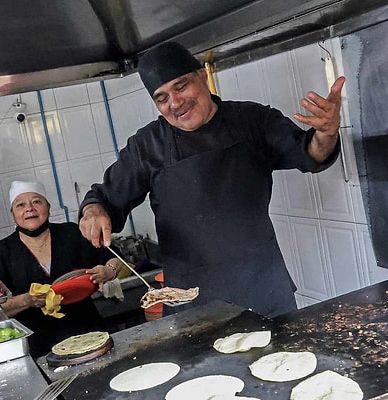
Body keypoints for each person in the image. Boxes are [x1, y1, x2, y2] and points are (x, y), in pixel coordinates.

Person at [79, 41, 345, 318]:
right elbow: (104, 198)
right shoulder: (147, 145)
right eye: (162, 98)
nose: (175, 103)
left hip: (263, 286)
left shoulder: (253, 120)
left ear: (202, 76)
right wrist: (93, 211)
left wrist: (326, 133)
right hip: (190, 301)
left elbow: (310, 154)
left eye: (181, 87)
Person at [0, 181, 123, 358]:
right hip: (38, 349)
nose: (29, 209)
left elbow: (116, 257)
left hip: (89, 334)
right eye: (21, 205)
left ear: (48, 206)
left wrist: (109, 270)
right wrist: (27, 300)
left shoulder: (71, 233)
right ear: (13, 213)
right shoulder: (2, 253)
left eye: (36, 202)